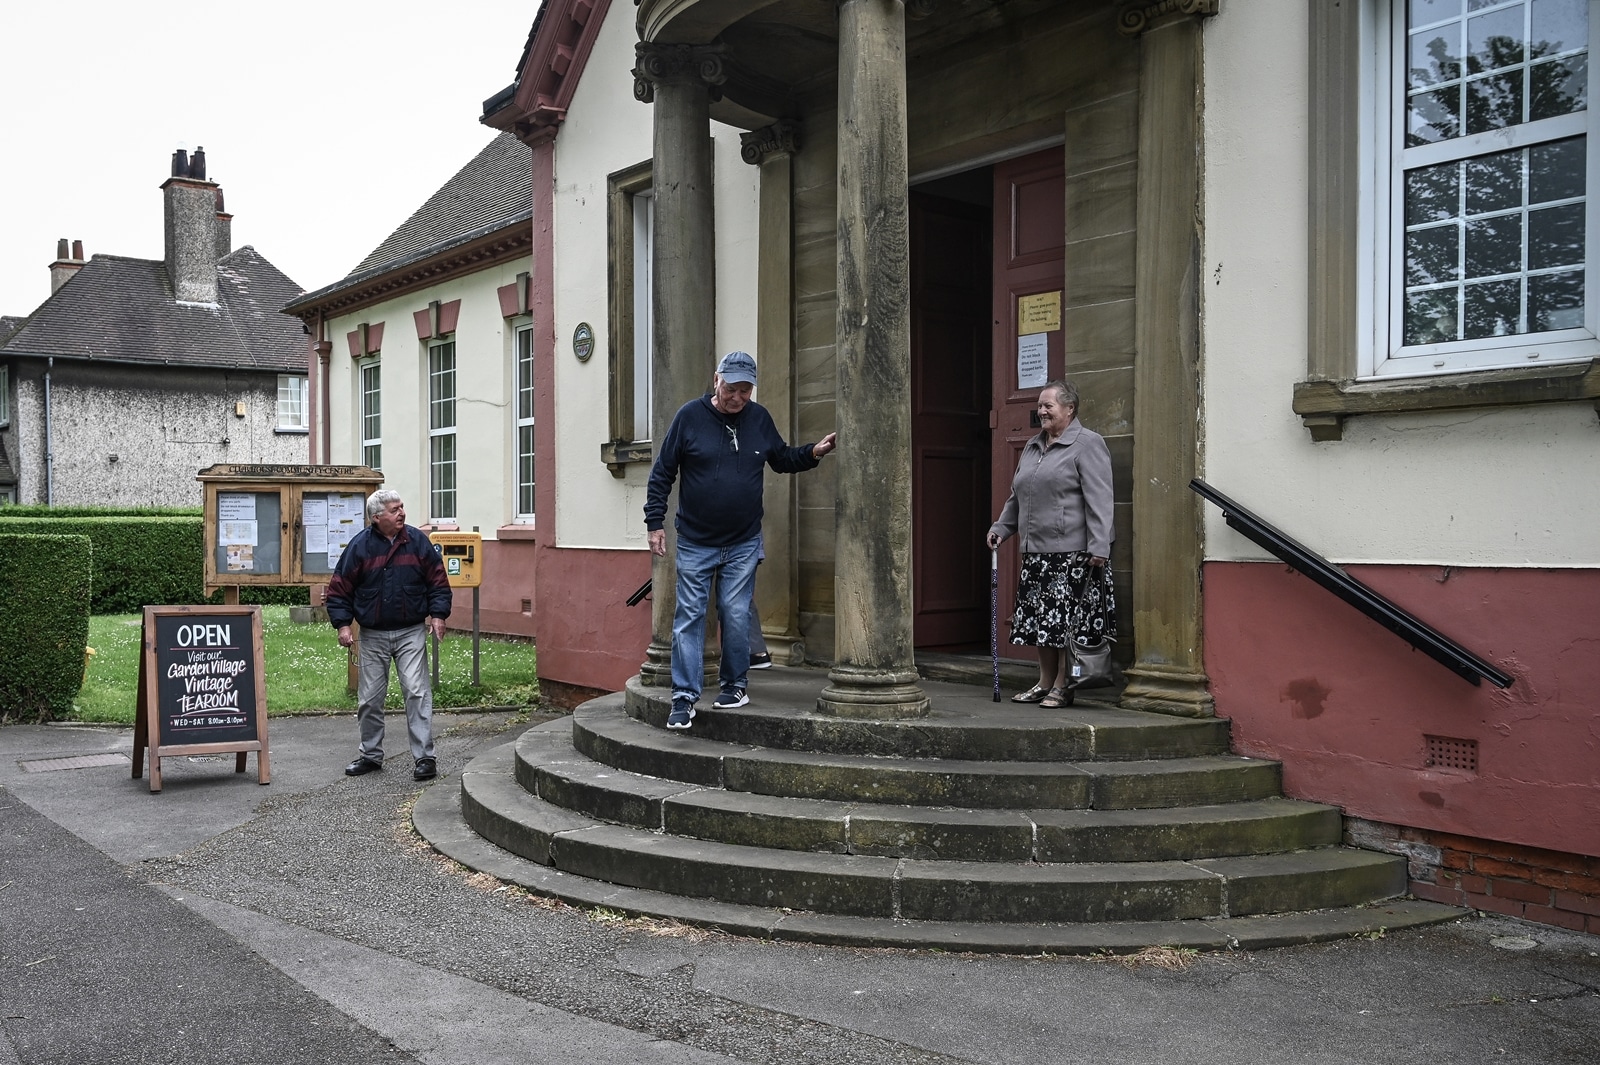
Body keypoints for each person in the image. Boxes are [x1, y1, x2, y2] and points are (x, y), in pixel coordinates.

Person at [646, 351, 836, 729]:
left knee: (734, 615)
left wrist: (813, 452)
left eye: (745, 391)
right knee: (689, 618)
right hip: (696, 541)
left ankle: (735, 685)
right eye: (732, 388)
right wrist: (655, 523)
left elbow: (780, 458)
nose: (737, 397)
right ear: (716, 379)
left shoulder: (759, 418)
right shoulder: (689, 417)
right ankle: (683, 698)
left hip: (743, 541)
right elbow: (662, 473)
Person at [986, 380, 1116, 709]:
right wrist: (1002, 527)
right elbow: (1019, 495)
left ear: (1070, 408)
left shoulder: (1087, 444)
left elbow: (1100, 499)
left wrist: (1100, 544)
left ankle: (1064, 684)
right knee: (1040, 622)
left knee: (1063, 624)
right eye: (1040, 406)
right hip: (1037, 553)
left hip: (1074, 554)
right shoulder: (1033, 446)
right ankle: (1044, 682)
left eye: (1049, 406)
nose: (1041, 411)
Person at [326, 490, 453, 780]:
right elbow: (339, 589)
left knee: (417, 692)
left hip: (410, 632)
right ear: (377, 517)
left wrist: (438, 615)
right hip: (372, 635)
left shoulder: (417, 541)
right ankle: (370, 755)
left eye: (402, 507)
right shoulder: (360, 547)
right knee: (369, 698)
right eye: (395, 509)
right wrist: (343, 625)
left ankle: (425, 758)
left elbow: (438, 580)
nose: (402, 513)